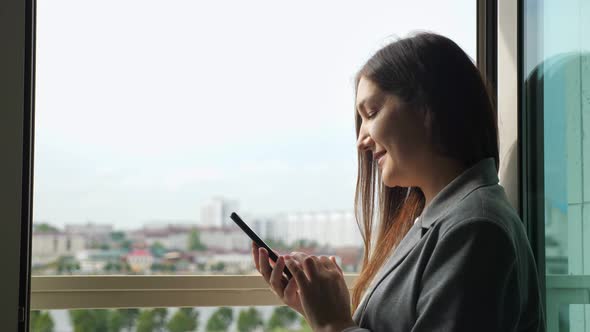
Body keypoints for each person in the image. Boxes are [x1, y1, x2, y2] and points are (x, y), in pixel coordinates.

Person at [251, 32, 545, 332]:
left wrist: (334, 324)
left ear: (428, 108)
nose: (361, 141)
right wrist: (317, 308)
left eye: (372, 112)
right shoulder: (444, 221)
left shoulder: (475, 228)